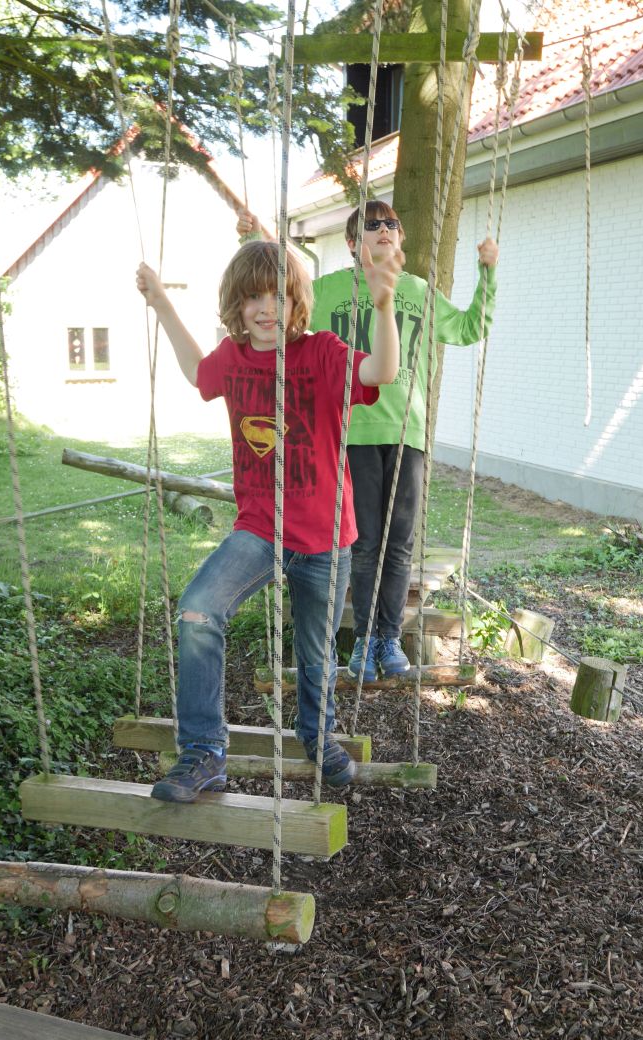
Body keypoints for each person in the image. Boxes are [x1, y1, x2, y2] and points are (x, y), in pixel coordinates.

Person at [136, 239, 403, 802]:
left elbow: (383, 368)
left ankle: (318, 734)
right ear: (236, 305)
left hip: (327, 537)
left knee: (316, 650)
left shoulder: (324, 353)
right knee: (198, 609)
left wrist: (383, 307)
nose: (265, 308)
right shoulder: (233, 359)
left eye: (277, 296)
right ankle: (204, 754)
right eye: (252, 296)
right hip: (260, 529)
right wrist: (161, 303)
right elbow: (196, 371)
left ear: (294, 302)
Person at [237, 202, 499, 683]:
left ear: (401, 241)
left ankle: (388, 637)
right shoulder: (330, 289)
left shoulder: (419, 291)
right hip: (348, 432)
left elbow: (469, 328)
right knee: (363, 543)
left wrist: (488, 272)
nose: (383, 230)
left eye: (391, 225)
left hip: (406, 433)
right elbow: (279, 301)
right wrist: (257, 242)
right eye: (371, 226)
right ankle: (360, 642)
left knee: (398, 545)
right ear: (354, 243)